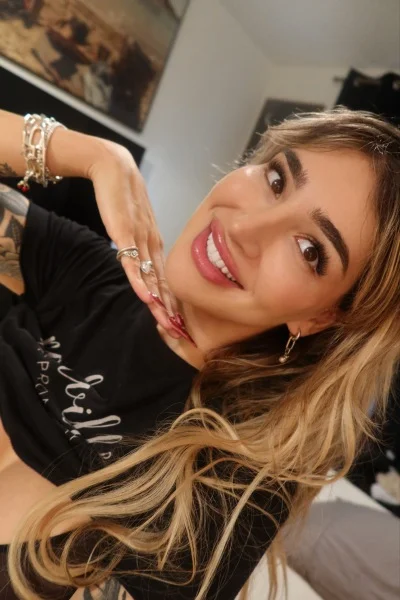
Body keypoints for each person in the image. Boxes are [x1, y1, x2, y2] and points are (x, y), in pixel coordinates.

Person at [0, 106, 399, 600]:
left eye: (309, 250)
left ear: (321, 317)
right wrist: (99, 156)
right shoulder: (91, 274)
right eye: (277, 179)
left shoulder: (231, 491)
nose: (246, 228)